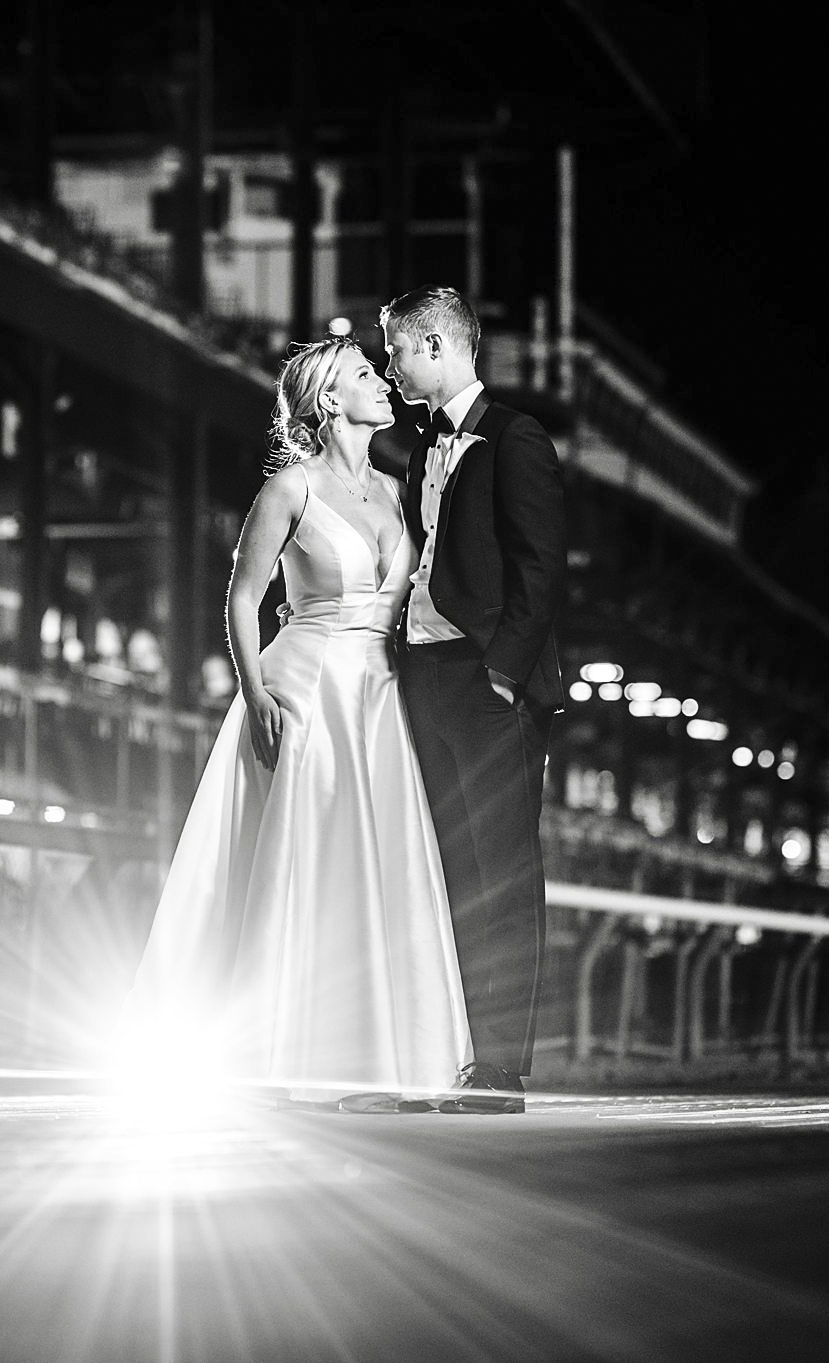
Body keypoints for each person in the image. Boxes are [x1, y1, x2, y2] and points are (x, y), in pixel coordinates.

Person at [119, 335, 471, 1109]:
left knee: (370, 865)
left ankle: (372, 1058)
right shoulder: (290, 489)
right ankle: (277, 1055)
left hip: (378, 698)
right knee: (301, 863)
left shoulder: (396, 486)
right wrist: (255, 694)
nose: (381, 382)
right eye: (361, 375)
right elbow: (242, 598)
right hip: (305, 687)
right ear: (326, 400)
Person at [381, 285, 567, 1114]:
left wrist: (501, 673)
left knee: (501, 870)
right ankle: (454, 1047)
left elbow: (540, 566)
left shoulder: (514, 437)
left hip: (486, 685)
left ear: (431, 344)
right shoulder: (425, 445)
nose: (389, 366)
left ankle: (499, 1064)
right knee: (448, 867)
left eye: (394, 349)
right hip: (425, 676)